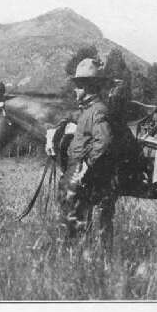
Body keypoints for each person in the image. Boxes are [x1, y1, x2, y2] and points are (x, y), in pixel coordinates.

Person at [59, 58, 117, 254]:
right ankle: (81, 259)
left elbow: (104, 141)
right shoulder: (88, 111)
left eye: (77, 86)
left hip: (86, 180)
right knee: (76, 225)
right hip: (79, 178)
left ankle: (87, 262)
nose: (75, 90)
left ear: (86, 87)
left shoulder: (98, 110)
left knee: (81, 225)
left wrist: (85, 166)